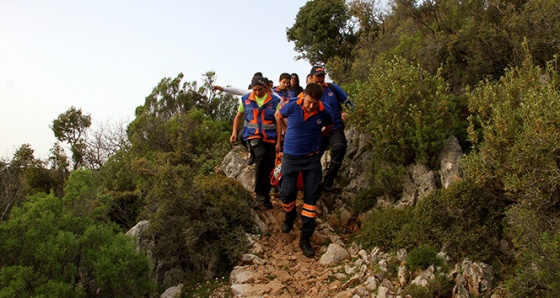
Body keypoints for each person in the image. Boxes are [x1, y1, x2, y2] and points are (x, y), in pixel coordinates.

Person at [274, 83, 334, 257]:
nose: (310, 106)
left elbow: (329, 126)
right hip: (291, 158)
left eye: (314, 103)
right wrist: (287, 130)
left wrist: (319, 135)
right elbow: (278, 115)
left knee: (311, 199)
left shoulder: (325, 111)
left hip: (312, 159)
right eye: (308, 102)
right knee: (286, 192)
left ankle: (305, 238)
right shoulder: (293, 104)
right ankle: (290, 215)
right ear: (303, 97)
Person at [231, 75, 282, 209]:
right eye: (255, 90)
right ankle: (259, 192)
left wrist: (278, 141)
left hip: (269, 137)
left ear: (265, 88)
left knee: (270, 164)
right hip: (252, 135)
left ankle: (266, 195)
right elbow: (238, 117)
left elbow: (278, 122)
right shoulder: (246, 99)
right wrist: (234, 132)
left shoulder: (275, 101)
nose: (257, 92)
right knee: (261, 156)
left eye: (260, 89)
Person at [309, 65, 354, 192]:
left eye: (321, 81)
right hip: (317, 130)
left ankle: (328, 182)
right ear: (311, 79)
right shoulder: (307, 94)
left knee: (340, 147)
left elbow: (349, 103)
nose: (319, 84)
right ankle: (314, 184)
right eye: (316, 81)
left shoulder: (333, 89)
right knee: (314, 156)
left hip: (335, 126)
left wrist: (350, 112)